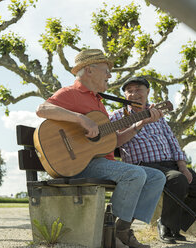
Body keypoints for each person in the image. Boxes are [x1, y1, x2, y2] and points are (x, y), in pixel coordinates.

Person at [36, 49, 166, 248]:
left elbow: (112, 142)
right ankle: (110, 232)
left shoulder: (98, 101)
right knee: (134, 174)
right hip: (79, 163)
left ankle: (121, 229)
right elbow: (42, 109)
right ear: (89, 70)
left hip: (100, 161)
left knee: (157, 177)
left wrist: (139, 124)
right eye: (106, 70)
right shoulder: (71, 93)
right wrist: (81, 119)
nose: (109, 75)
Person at [110, 77, 196, 244]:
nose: (134, 93)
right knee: (177, 180)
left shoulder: (158, 115)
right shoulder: (116, 116)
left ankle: (173, 224)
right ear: (124, 95)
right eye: (129, 91)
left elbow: (172, 141)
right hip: (142, 165)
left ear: (148, 92)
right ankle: (166, 226)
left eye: (138, 89)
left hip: (170, 165)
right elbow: (114, 142)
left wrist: (183, 165)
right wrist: (140, 123)